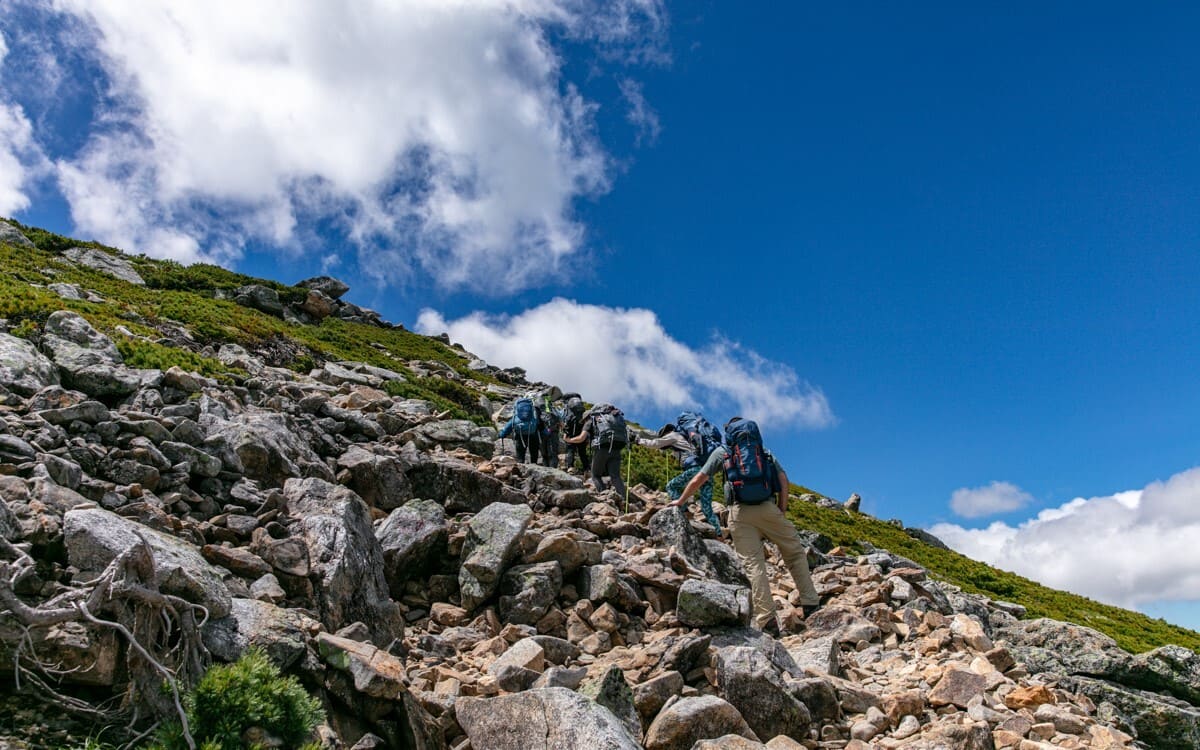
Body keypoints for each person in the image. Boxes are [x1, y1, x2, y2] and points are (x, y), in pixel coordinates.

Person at [674, 417, 819, 635]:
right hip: (769, 510)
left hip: (740, 514)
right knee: (795, 554)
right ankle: (810, 604)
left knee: (754, 566)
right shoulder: (765, 452)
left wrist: (680, 500)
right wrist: (781, 508)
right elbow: (783, 480)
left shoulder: (723, 453)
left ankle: (768, 621)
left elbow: (699, 479)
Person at [638, 421, 721, 535]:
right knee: (707, 508)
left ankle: (683, 511)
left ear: (666, 432)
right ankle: (719, 534)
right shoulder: (687, 439)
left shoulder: (673, 435)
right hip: (706, 472)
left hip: (694, 469)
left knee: (671, 486)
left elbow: (655, 443)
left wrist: (638, 441)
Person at [564, 403, 627, 498]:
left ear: (587, 417)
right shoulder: (610, 419)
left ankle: (604, 495)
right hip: (616, 447)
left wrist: (568, 440)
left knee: (595, 475)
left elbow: (581, 438)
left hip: (602, 449)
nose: (583, 423)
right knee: (615, 476)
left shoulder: (590, 421)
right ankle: (623, 499)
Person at [497, 397, 542, 464]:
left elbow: (510, 424)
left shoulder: (517, 415)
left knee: (520, 455)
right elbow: (539, 423)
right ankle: (534, 465)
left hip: (520, 435)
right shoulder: (533, 413)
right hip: (533, 434)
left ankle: (521, 467)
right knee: (534, 453)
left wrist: (501, 434)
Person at [561, 394, 589, 473]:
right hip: (581, 433)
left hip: (570, 433)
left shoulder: (568, 409)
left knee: (570, 450)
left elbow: (564, 420)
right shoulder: (580, 409)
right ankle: (587, 469)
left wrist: (565, 433)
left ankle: (570, 467)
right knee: (582, 452)